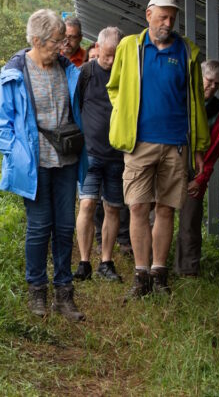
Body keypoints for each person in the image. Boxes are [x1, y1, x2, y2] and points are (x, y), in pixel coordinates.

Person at [107, 0, 209, 298]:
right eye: (163, 17)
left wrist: (198, 146)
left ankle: (159, 272)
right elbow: (114, 87)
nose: (168, 23)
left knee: (166, 209)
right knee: (138, 206)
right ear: (148, 15)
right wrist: (124, 112)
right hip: (139, 143)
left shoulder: (187, 51)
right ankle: (141, 276)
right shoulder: (130, 47)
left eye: (172, 18)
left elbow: (196, 102)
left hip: (176, 144)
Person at [0, 9, 88, 321]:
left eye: (63, 41)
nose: (62, 47)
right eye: (55, 42)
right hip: (34, 164)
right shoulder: (15, 73)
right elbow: (2, 124)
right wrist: (16, 155)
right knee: (38, 227)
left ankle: (64, 293)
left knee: (65, 226)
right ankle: (37, 290)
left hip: (66, 160)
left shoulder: (68, 69)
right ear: (36, 40)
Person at [73, 26, 126, 283]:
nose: (111, 60)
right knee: (86, 204)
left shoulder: (127, 75)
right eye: (107, 55)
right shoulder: (86, 73)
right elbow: (74, 107)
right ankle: (84, 262)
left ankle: (106, 261)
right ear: (98, 47)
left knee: (112, 208)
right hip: (89, 153)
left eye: (116, 55)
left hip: (117, 155)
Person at [174, 59, 219, 277]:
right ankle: (154, 263)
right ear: (199, 78)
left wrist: (201, 178)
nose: (212, 87)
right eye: (209, 81)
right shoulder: (180, 99)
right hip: (169, 164)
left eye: (217, 84)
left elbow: (215, 148)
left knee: (190, 219)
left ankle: (188, 269)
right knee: (158, 213)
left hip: (196, 170)